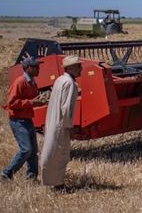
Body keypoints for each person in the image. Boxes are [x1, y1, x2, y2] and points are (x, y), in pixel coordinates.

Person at [40, 55, 81, 190]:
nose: (81, 68)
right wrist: (69, 127)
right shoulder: (69, 83)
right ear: (70, 68)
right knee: (59, 153)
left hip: (54, 121)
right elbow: (66, 108)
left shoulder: (60, 80)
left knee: (52, 152)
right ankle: (58, 184)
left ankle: (53, 181)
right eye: (78, 66)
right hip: (61, 125)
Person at [0, 56, 44, 181]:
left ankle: (31, 177)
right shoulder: (20, 82)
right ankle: (7, 173)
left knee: (33, 151)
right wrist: (31, 103)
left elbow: (34, 99)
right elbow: (12, 103)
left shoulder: (32, 82)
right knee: (26, 150)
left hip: (27, 119)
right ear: (28, 68)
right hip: (17, 120)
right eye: (36, 67)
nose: (38, 68)